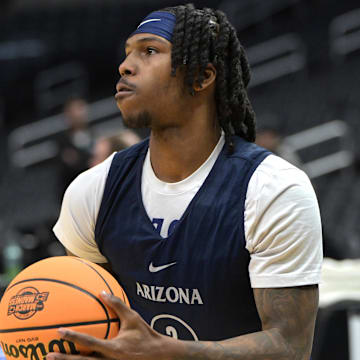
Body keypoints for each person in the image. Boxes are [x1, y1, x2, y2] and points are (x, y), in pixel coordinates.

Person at [50, 3, 323, 360]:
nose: (125, 65)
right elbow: (91, 324)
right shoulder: (92, 191)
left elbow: (291, 347)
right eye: (127, 53)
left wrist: (167, 354)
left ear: (202, 76)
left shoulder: (274, 190)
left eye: (149, 51)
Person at [56, 96, 93, 197]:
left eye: (82, 108)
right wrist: (91, 160)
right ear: (68, 114)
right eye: (77, 109)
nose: (82, 113)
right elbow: (72, 163)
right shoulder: (62, 140)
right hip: (74, 192)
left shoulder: (93, 134)